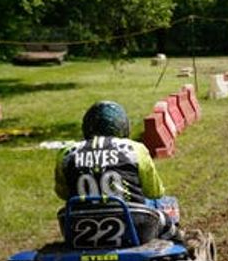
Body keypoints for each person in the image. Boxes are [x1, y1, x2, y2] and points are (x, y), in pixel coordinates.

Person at [55, 100, 178, 238]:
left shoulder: (67, 153)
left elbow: (63, 194)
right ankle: (181, 241)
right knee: (167, 202)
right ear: (122, 125)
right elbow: (155, 192)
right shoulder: (135, 150)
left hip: (80, 229)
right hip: (134, 228)